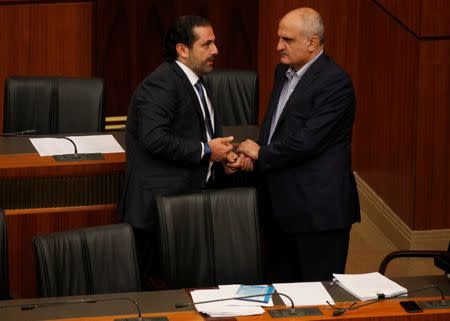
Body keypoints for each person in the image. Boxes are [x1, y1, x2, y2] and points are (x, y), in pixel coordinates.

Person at [238, 7, 360, 282]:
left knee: (317, 298)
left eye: (287, 40)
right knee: (280, 295)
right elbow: (277, 128)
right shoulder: (282, 72)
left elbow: (307, 141)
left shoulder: (335, 83)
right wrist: (257, 152)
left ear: (312, 42)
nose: (278, 46)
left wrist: (262, 152)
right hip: (279, 209)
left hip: (318, 215)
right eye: (279, 38)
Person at [119, 15, 241, 287]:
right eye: (206, 44)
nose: (215, 50)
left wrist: (221, 157)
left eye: (215, 43)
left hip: (187, 203)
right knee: (157, 293)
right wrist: (206, 151)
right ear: (182, 50)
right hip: (159, 210)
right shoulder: (162, 83)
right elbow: (154, 138)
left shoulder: (196, 79)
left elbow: (201, 132)